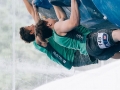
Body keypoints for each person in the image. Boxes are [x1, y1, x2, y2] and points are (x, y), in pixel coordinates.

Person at [19, 0, 98, 70]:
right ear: (31, 32)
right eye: (29, 26)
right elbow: (34, 15)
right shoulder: (38, 41)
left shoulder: (46, 33)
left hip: (75, 51)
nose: (32, 24)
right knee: (101, 49)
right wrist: (35, 11)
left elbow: (61, 17)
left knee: (103, 48)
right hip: (74, 58)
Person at [34, 0, 120, 60]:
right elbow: (74, 22)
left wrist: (53, 3)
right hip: (91, 42)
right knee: (116, 34)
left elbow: (61, 17)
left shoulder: (57, 35)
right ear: (48, 24)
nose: (49, 17)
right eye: (47, 19)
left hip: (94, 52)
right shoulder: (57, 27)